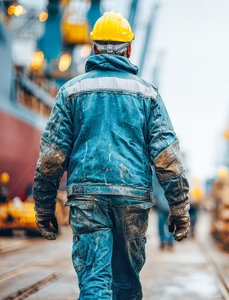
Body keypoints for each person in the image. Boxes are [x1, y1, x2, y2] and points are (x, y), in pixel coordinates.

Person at [32, 11, 190, 300]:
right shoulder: (148, 94)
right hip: (132, 198)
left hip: (87, 197)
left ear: (93, 48)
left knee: (94, 282)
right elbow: (167, 158)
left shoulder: (71, 92)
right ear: (129, 50)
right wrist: (179, 208)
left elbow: (51, 158)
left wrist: (43, 207)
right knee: (126, 282)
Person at [152, 172, 174, 250]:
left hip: (162, 201)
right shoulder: (172, 169)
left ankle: (165, 241)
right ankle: (168, 241)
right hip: (166, 201)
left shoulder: (156, 171)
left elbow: (154, 184)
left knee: (162, 221)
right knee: (169, 221)